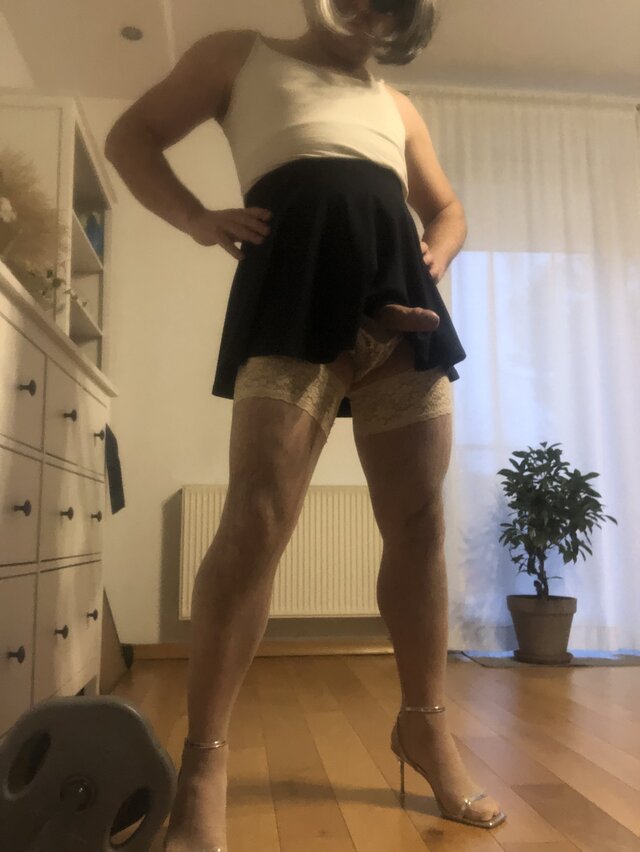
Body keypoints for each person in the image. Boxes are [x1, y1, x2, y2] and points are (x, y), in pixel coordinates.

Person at [105, 1, 506, 848]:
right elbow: (130, 137)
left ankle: (425, 727)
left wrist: (438, 251)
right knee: (256, 519)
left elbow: (448, 208)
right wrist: (196, 218)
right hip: (291, 296)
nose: (365, 8)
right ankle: (205, 760)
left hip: (403, 314)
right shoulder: (237, 55)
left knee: (421, 526)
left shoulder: (397, 105)